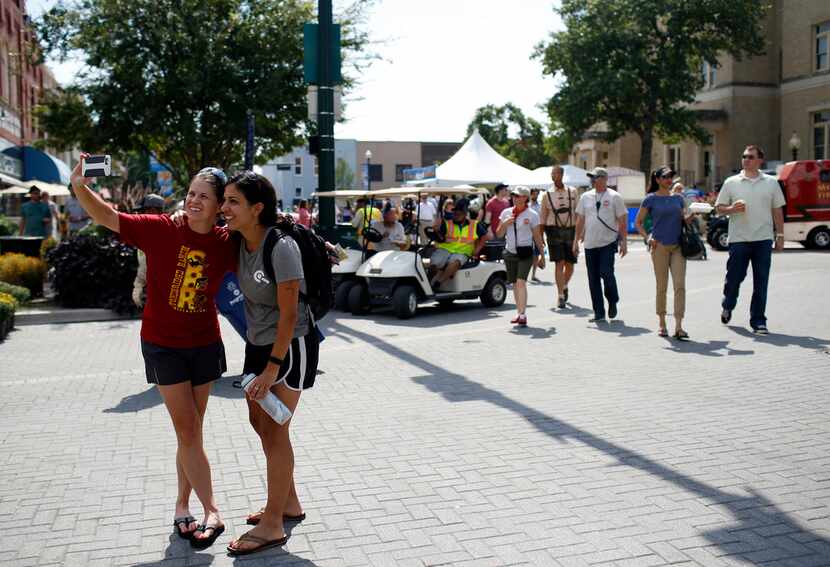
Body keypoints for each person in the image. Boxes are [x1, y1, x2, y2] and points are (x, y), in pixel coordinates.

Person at [71, 157, 236, 549]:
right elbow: (108, 216)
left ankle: (182, 504)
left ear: (219, 205)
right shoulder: (160, 229)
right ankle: (212, 509)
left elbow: (266, 228)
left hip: (205, 342)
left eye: (204, 196)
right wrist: (79, 187)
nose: (194, 200)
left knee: (191, 432)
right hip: (163, 343)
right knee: (188, 428)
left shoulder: (228, 242)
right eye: (191, 193)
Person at [220, 172, 319, 556]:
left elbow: (290, 314)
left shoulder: (281, 246)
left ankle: (273, 523)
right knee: (260, 422)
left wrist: (273, 367)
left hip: (289, 346)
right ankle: (287, 503)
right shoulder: (239, 241)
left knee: (277, 429)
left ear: (256, 208)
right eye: (224, 200)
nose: (224, 208)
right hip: (257, 344)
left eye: (232, 202)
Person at [715, 145, 785, 334]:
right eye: (744, 156)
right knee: (734, 278)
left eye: (750, 157)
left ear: (760, 160)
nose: (746, 159)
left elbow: (777, 210)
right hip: (738, 239)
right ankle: (728, 304)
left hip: (763, 239)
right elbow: (719, 207)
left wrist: (780, 235)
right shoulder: (731, 182)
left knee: (761, 282)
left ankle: (758, 321)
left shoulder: (771, 183)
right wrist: (731, 210)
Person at [635, 167, 689, 339]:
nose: (669, 179)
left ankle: (679, 326)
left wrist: (693, 213)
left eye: (671, 176)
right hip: (659, 247)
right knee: (662, 286)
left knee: (679, 285)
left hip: (678, 246)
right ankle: (662, 322)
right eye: (665, 177)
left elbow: (684, 218)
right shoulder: (650, 199)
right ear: (657, 179)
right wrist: (647, 237)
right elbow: (638, 223)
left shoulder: (678, 198)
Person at [573, 167, 628, 322]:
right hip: (590, 243)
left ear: (604, 179)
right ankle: (599, 312)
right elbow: (580, 220)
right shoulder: (585, 197)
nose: (592, 180)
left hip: (608, 242)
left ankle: (612, 299)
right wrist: (575, 241)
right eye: (591, 178)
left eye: (595, 177)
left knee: (606, 273)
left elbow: (622, 221)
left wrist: (623, 242)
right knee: (593, 279)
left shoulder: (614, 196)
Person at [497, 186, 546, 326]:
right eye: (513, 196)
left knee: (521, 282)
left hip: (525, 253)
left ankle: (523, 314)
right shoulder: (506, 212)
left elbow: (537, 237)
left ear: (525, 198)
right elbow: (499, 234)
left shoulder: (532, 215)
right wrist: (505, 224)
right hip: (510, 252)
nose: (515, 198)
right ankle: (519, 313)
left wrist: (542, 256)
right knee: (514, 283)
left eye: (518, 196)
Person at [540, 166, 579, 307]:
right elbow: (542, 218)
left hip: (571, 230)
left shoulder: (573, 191)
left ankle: (564, 285)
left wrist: (581, 233)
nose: (553, 176)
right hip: (553, 231)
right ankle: (560, 296)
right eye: (551, 174)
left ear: (562, 175)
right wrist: (540, 239)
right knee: (559, 263)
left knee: (570, 265)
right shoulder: (546, 195)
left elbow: (579, 214)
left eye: (555, 174)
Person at [429, 198, 489, 289]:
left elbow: (485, 237)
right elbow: (439, 236)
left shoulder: (474, 224)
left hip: (463, 252)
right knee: (434, 262)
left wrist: (477, 250)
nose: (455, 215)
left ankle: (438, 283)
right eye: (454, 213)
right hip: (445, 249)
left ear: (465, 214)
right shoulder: (447, 223)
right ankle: (427, 283)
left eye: (458, 213)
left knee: (455, 262)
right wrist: (436, 229)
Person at [132, 194, 167, 308]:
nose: (139, 214)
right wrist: (138, 286)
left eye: (142, 211)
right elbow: (144, 266)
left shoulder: (167, 233)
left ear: (153, 211)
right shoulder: (145, 234)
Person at [528, 189, 543, 282]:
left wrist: (542, 234)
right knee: (527, 254)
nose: (535, 196)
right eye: (534, 194)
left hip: (537, 232)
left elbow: (541, 221)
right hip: (527, 233)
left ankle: (533, 274)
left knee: (536, 255)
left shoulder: (540, 206)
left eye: (537, 194)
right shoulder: (527, 206)